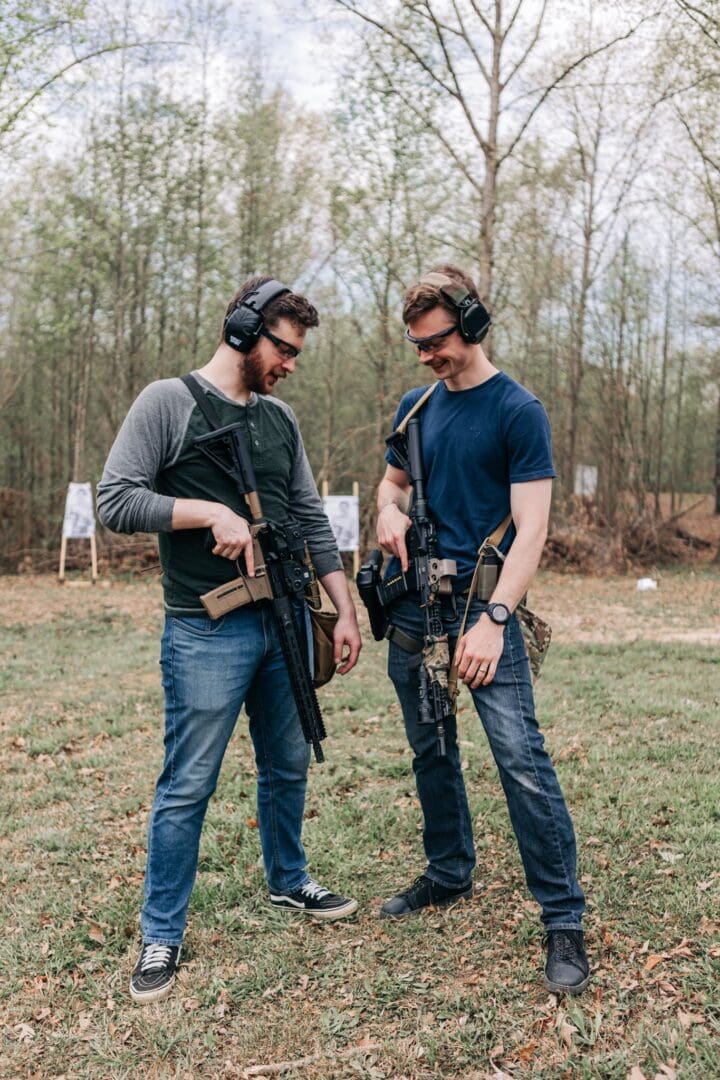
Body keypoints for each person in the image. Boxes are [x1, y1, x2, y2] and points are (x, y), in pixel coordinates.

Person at [97, 276, 362, 1004]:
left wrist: (343, 608)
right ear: (244, 331)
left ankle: (288, 880)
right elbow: (115, 498)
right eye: (284, 347)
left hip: (283, 622)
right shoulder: (167, 402)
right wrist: (206, 512)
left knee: (287, 761)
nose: (291, 363)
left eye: (297, 352)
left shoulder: (280, 420)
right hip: (204, 630)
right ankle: (161, 931)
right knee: (188, 784)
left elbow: (309, 517)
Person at [374, 264, 589, 995]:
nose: (426, 354)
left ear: (472, 324)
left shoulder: (517, 411)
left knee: (520, 761)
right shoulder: (416, 406)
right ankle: (448, 871)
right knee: (430, 750)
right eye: (417, 344)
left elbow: (533, 530)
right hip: (416, 607)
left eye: (435, 341)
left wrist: (496, 621)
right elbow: (392, 481)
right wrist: (384, 510)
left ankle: (563, 919)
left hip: (483, 609)